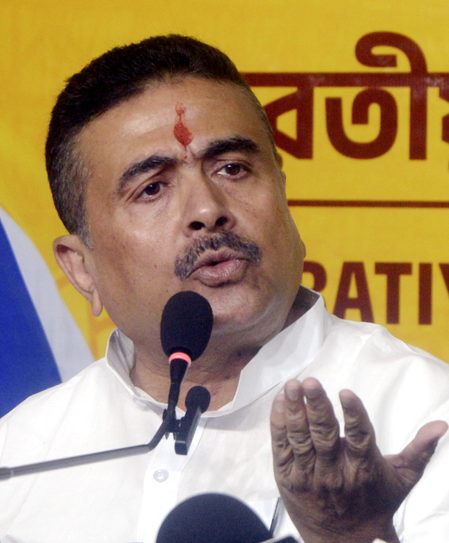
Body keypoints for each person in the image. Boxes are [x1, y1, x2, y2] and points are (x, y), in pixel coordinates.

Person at [0, 35, 448, 543]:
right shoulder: (22, 456)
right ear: (82, 269)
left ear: (282, 192)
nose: (207, 209)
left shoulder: (425, 417)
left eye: (232, 168)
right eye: (152, 188)